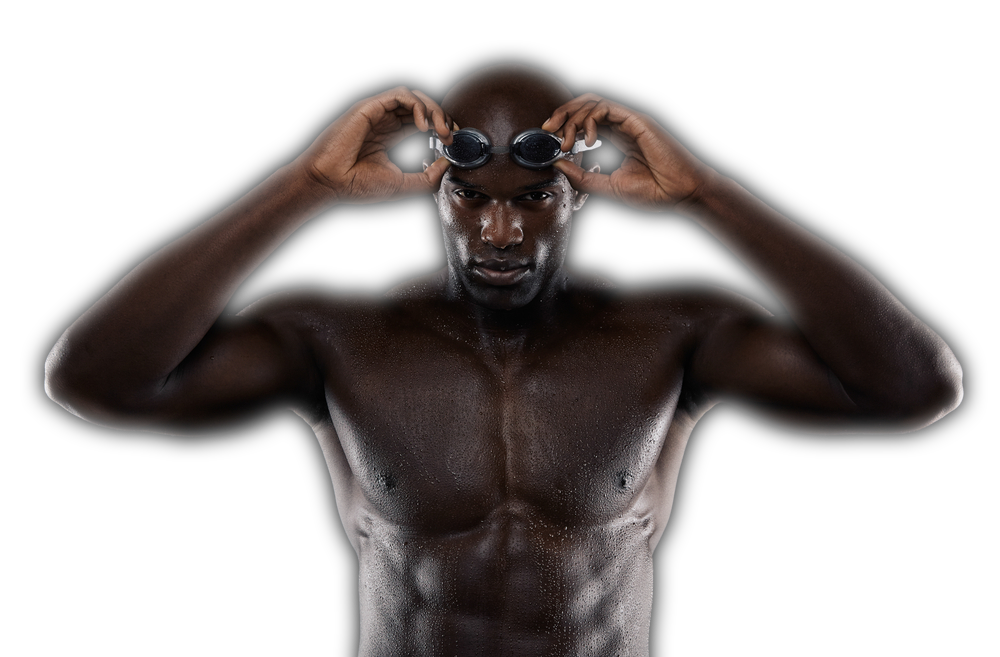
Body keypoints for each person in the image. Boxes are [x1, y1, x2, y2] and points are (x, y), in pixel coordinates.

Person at [43, 63, 963, 656]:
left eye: (534, 197)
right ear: (432, 186)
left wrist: (710, 196)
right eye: (471, 196)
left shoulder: (672, 332)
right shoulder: (339, 339)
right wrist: (305, 185)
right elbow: (91, 384)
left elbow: (915, 391)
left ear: (585, 188)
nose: (499, 230)